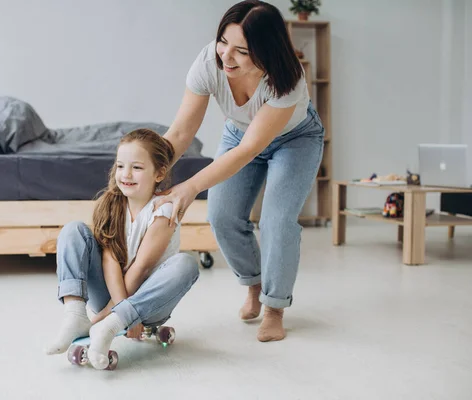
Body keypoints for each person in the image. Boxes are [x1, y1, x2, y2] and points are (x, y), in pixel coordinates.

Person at [154, 0, 325, 342]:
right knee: (222, 215)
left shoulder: (286, 80)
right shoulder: (209, 62)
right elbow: (180, 133)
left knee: (277, 220)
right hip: (238, 132)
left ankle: (275, 307)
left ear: (264, 52)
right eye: (223, 42)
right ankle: (254, 284)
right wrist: (151, 173)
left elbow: (250, 150)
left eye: (241, 51)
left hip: (295, 139)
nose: (226, 56)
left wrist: (188, 187)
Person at [46, 129, 199, 369]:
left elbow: (141, 267)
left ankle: (109, 325)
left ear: (159, 173)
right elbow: (110, 260)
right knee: (72, 230)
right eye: (120, 166)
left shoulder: (163, 210)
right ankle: (75, 314)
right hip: (113, 294)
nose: (126, 174)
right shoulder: (112, 203)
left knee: (186, 264)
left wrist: (110, 317)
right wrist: (113, 307)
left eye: (136, 168)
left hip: (147, 304)